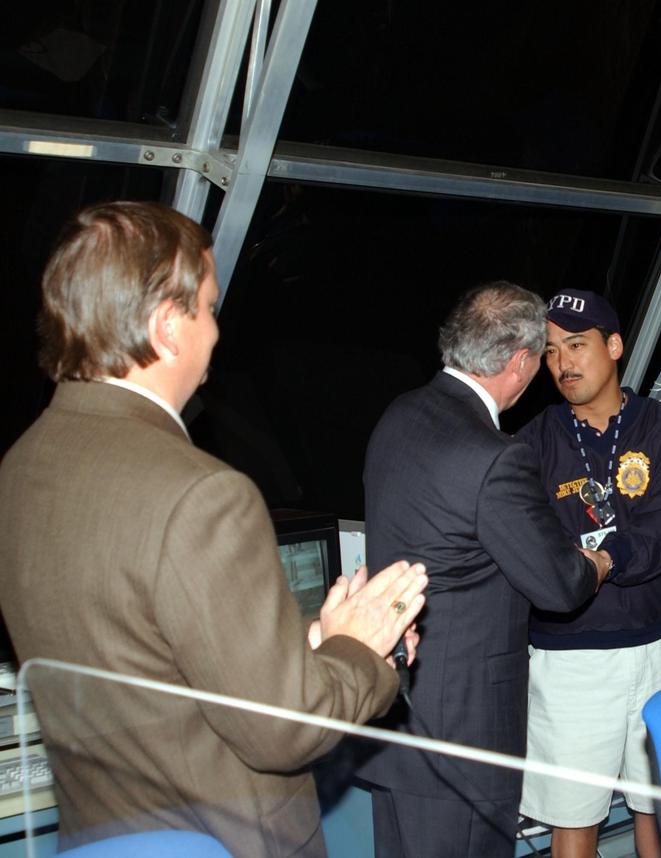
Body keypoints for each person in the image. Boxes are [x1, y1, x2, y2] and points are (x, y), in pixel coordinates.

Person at [0, 201, 428, 857]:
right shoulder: (203, 495)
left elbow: (146, 658)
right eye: (207, 307)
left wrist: (311, 641)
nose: (216, 333)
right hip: (228, 840)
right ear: (170, 328)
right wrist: (368, 651)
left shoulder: (22, 468)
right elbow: (283, 731)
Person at [358, 282, 610, 858]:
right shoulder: (494, 455)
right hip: (465, 738)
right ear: (519, 363)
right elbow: (558, 585)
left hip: (397, 717)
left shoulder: (398, 416)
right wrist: (594, 560)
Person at [516, 289, 661, 858]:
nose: (563, 364)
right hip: (571, 661)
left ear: (613, 345)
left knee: (659, 805)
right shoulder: (531, 444)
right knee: (574, 819)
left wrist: (602, 559)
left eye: (576, 345)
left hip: (659, 648)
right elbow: (531, 541)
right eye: (550, 352)